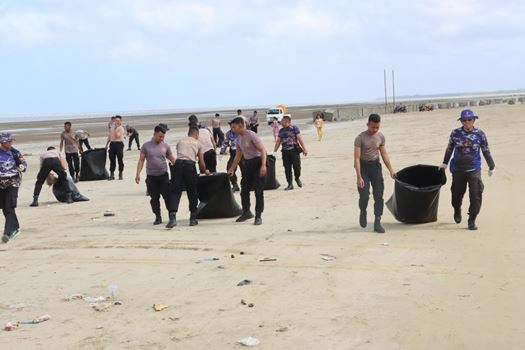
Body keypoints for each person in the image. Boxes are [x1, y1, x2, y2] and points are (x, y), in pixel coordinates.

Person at [439, 109, 495, 230]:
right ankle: (457, 209)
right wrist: (444, 163)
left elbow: (486, 150)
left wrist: (491, 165)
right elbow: (449, 149)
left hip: (474, 169)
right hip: (458, 169)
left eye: (469, 119)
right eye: (464, 120)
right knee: (456, 194)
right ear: (461, 121)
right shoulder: (455, 133)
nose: (467, 122)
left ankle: (472, 219)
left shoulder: (480, 134)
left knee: (476, 195)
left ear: (474, 120)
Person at [354, 114, 396, 234]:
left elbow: (384, 154)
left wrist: (391, 170)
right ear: (368, 124)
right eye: (373, 127)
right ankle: (363, 211)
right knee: (364, 196)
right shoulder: (360, 138)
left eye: (377, 127)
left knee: (378, 195)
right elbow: (356, 158)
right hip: (363, 168)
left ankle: (377, 221)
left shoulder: (380, 137)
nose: (375, 130)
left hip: (375, 167)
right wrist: (359, 176)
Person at [227, 117, 267, 225]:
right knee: (244, 190)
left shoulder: (251, 135)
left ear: (241, 126)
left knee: (258, 191)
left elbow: (263, 150)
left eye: (234, 127)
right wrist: (231, 169)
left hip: (258, 163)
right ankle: (246, 212)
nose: (232, 129)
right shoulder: (238, 138)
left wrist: (263, 165)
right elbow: (238, 156)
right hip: (248, 164)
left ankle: (258, 216)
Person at [135, 126, 176, 227]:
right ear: (155, 134)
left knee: (168, 197)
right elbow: (141, 160)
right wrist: (138, 174)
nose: (161, 139)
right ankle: (158, 216)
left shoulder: (165, 146)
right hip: (151, 177)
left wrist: (179, 167)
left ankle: (171, 216)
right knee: (154, 199)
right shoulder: (146, 146)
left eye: (163, 137)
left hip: (163, 176)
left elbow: (171, 158)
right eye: (160, 136)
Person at [169, 127, 210, 227]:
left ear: (188, 133)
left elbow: (178, 154)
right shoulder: (198, 143)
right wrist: (205, 171)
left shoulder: (180, 141)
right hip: (189, 166)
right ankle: (192, 219)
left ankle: (173, 218)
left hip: (177, 165)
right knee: (192, 192)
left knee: (175, 191)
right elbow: (201, 162)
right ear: (196, 134)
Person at [0, 133, 27, 243]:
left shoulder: (14, 152)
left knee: (9, 206)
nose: (11, 143)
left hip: (13, 182)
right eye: (9, 141)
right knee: (5, 208)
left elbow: (24, 165)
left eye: (12, 141)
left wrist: (21, 166)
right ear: (2, 142)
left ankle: (8, 232)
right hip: (1, 184)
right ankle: (16, 227)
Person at [273, 116, 308, 190]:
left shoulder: (294, 128)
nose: (281, 122)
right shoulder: (281, 130)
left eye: (282, 121)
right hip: (285, 152)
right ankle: (290, 184)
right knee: (287, 168)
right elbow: (278, 142)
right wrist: (274, 152)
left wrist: (304, 149)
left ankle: (297, 178)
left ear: (286, 122)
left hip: (294, 151)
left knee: (297, 167)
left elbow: (300, 138)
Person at [220, 120, 240, 192]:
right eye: (230, 125)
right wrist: (222, 151)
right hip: (233, 154)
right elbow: (225, 143)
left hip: (242, 153)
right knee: (229, 168)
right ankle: (235, 185)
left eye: (233, 125)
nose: (232, 127)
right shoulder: (228, 133)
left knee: (245, 170)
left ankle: (247, 185)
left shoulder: (240, 132)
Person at [105, 115, 125, 180]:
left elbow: (117, 136)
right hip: (112, 144)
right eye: (116, 120)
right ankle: (112, 174)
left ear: (120, 121)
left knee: (120, 159)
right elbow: (109, 136)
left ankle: (120, 174)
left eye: (118, 121)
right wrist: (106, 144)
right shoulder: (112, 127)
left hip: (119, 144)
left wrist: (116, 129)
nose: (117, 122)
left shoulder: (121, 128)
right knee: (112, 159)